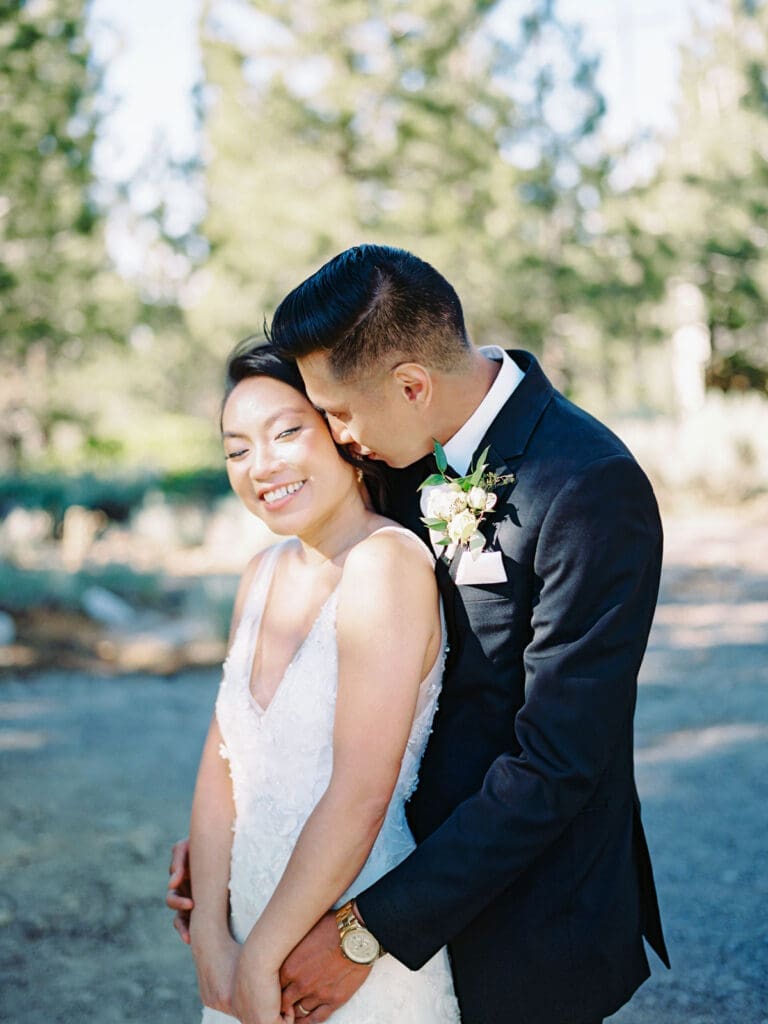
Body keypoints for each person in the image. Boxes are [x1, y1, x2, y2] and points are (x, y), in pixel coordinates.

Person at [169, 244, 670, 1024]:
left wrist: (370, 931)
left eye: (332, 415)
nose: (334, 438)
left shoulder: (588, 486)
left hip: (519, 910)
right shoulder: (388, 445)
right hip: (358, 866)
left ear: (411, 384)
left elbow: (558, 759)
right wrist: (234, 849)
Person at [185, 342, 461, 1024]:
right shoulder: (262, 572)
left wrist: (263, 958)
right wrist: (211, 937)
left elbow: (360, 794)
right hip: (247, 927)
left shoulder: (386, 566)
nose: (262, 466)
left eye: (286, 432)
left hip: (343, 944)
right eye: (237, 449)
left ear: (341, 432)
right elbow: (223, 770)